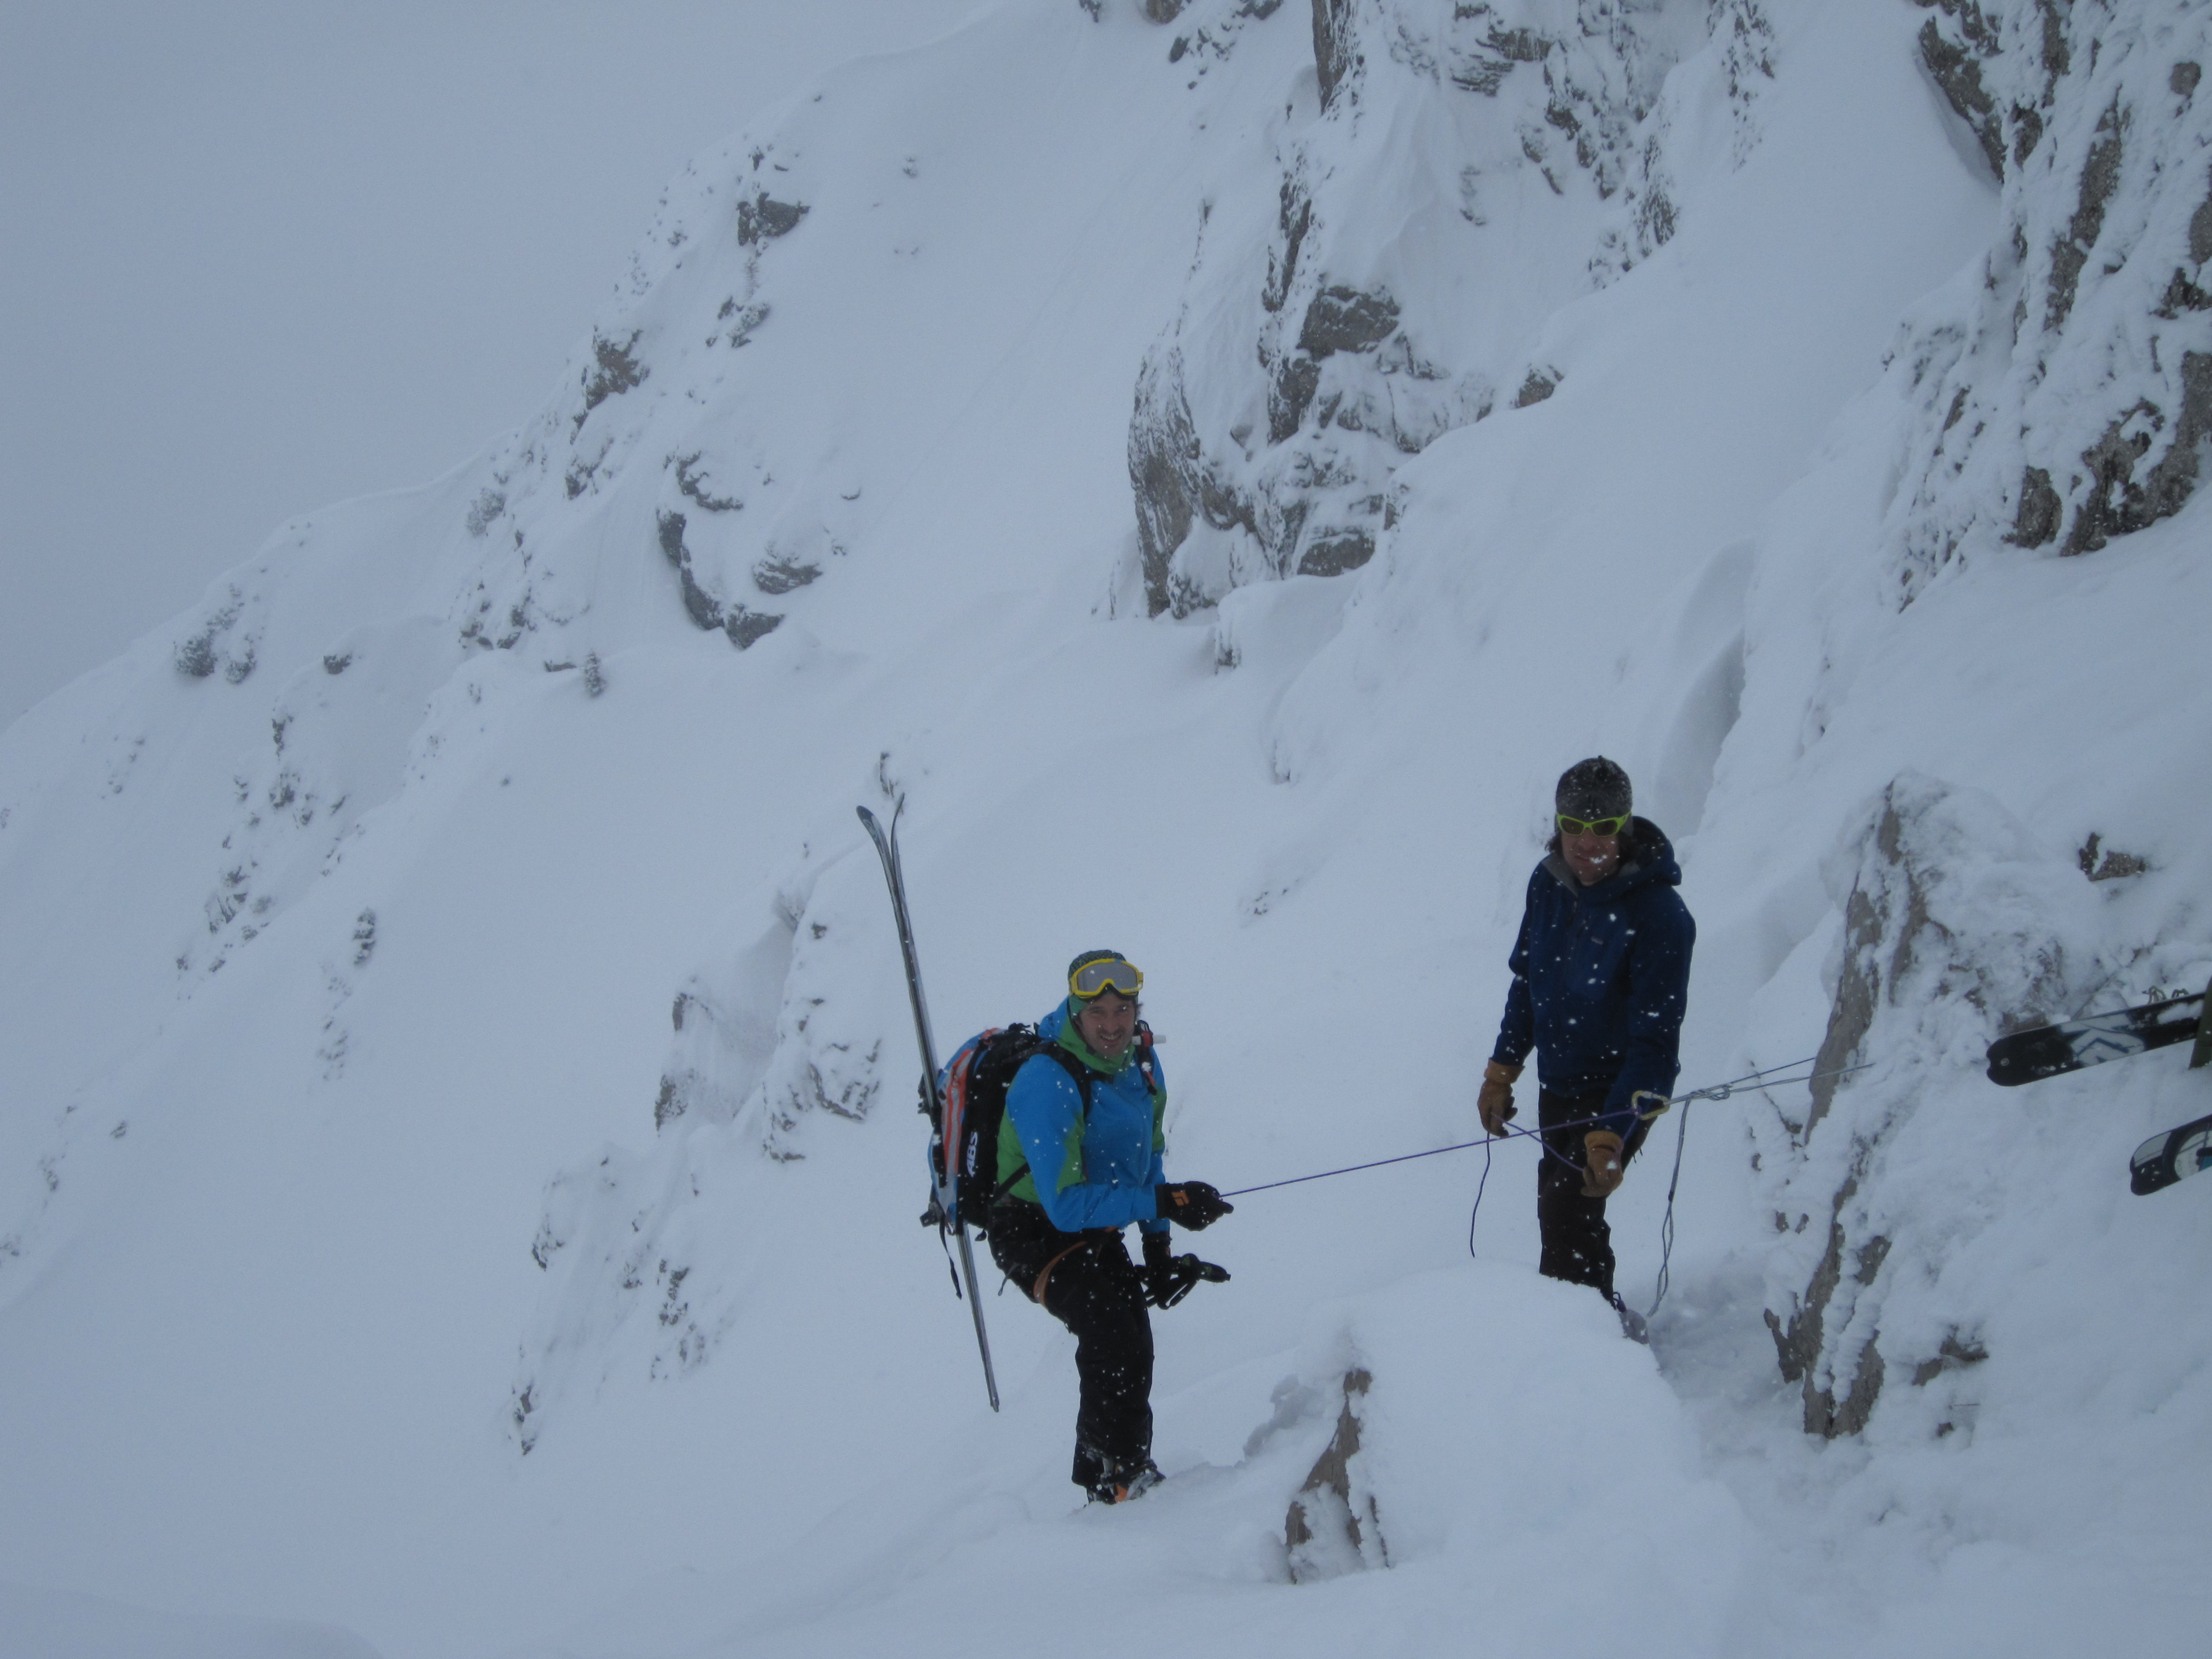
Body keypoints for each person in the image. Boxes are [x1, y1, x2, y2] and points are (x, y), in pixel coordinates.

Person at [985, 951, 1231, 1504]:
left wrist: (1159, 1248)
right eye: (1097, 1012)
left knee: (1132, 1335)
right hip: (1031, 1228)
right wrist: (1162, 1201)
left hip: (1095, 1217)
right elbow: (1065, 1207)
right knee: (1111, 1330)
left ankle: (1118, 1470)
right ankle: (1115, 1478)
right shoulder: (1047, 1081)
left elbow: (1148, 1159)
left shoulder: (1140, 1062)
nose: (1113, 1024)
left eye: (1123, 1009)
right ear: (1075, 1012)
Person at [1479, 758, 1694, 1334]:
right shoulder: (1548, 883)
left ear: (1625, 828)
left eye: (1603, 828)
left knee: (1568, 1210)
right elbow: (1528, 982)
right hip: (1558, 1081)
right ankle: (1595, 1331)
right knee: (1562, 1215)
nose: (1586, 842)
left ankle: (1582, 1341)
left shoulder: (1660, 917)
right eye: (1573, 825)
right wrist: (1502, 1069)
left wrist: (1614, 1132)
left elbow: (1656, 1041)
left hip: (1618, 1088)